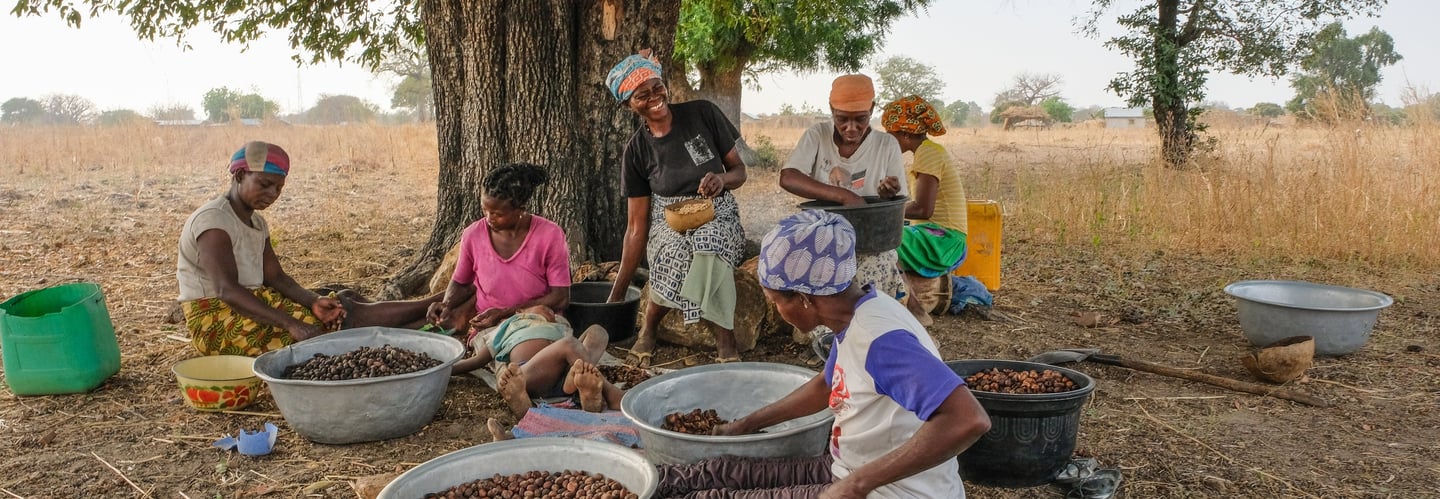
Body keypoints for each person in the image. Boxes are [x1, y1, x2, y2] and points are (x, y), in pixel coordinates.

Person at [657, 211, 991, 498]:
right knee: (716, 473)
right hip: (847, 467)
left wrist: (857, 485)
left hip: (891, 490)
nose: (777, 309)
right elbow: (827, 386)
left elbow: (968, 419)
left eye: (775, 302)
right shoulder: (860, 311)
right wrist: (743, 425)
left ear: (803, 298)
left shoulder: (881, 341)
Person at [176, 141, 439, 356]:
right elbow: (226, 290)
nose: (272, 194)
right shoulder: (213, 221)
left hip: (253, 304)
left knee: (341, 307)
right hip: (218, 322)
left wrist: (312, 301)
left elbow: (275, 277)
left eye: (279, 188)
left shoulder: (256, 221)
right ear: (240, 175)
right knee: (333, 332)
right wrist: (292, 324)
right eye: (265, 184)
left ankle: (431, 316)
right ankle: (434, 309)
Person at [424, 163, 623, 410]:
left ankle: (576, 381)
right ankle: (594, 389)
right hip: (494, 328)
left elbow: (560, 298)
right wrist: (446, 305)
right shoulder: (473, 235)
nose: (489, 218)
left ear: (520, 209)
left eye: (497, 213)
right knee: (568, 349)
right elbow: (461, 281)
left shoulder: (549, 235)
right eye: (485, 210)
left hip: (542, 325)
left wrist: (511, 310)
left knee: (595, 333)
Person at [604, 50, 749, 367]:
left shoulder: (702, 114)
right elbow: (636, 226)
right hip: (668, 222)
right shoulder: (637, 151)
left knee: (710, 243)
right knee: (672, 252)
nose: (654, 98)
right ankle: (650, 327)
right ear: (629, 105)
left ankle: (725, 338)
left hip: (718, 211)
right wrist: (616, 296)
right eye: (642, 95)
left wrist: (722, 180)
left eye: (657, 88)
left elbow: (740, 171)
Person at [779, 74, 910, 303]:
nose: (851, 128)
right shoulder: (818, 135)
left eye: (861, 119)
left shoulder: (886, 145)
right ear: (831, 110)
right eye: (842, 119)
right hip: (822, 234)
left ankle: (865, 322)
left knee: (873, 265)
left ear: (872, 108)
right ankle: (826, 331)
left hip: (868, 239)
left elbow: (896, 203)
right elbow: (788, 177)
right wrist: (844, 196)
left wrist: (887, 194)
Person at [882, 95, 969, 325]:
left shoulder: (928, 153)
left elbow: (922, 209)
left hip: (946, 240)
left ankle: (914, 308)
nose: (889, 143)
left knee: (884, 239)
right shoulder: (926, 151)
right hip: (937, 235)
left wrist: (885, 214)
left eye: (891, 136)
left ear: (906, 134)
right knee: (889, 232)